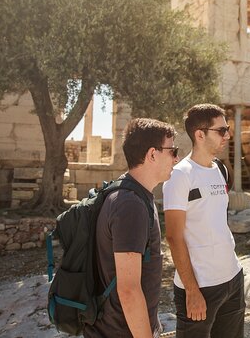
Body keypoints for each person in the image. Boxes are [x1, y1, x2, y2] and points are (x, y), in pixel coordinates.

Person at [84, 118, 179, 338]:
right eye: (173, 151)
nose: (177, 158)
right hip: (119, 332)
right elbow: (128, 290)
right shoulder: (130, 205)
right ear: (152, 154)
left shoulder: (133, 194)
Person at [162, 104, 244, 338]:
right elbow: (173, 236)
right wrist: (191, 290)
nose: (227, 135)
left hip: (233, 277)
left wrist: (236, 276)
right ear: (200, 134)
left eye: (227, 129)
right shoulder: (180, 175)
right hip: (201, 285)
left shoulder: (219, 169)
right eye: (221, 130)